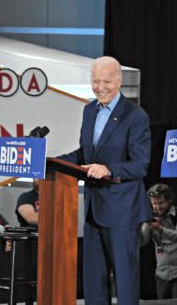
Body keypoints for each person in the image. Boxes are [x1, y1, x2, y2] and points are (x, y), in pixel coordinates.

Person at [58, 56, 152, 305]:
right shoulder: (89, 110)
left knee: (124, 279)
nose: (100, 87)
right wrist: (53, 161)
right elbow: (85, 155)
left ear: (119, 81)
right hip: (92, 209)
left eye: (107, 81)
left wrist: (108, 169)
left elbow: (140, 165)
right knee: (93, 279)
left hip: (122, 210)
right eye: (95, 81)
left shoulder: (136, 116)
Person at [140, 184, 177, 300]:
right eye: (154, 204)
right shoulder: (150, 216)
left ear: (169, 200)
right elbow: (143, 242)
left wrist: (160, 229)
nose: (157, 207)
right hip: (161, 274)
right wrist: (137, 230)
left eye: (161, 203)